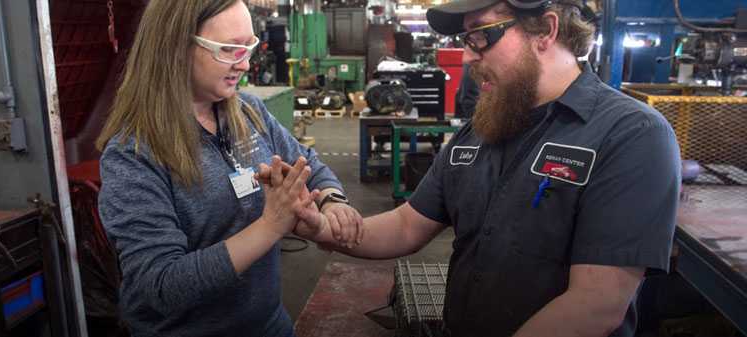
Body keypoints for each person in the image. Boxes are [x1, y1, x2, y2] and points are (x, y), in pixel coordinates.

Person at [276, 0, 682, 336]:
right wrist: (325, 229)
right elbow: (406, 226)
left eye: (481, 35)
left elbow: (596, 305)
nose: (468, 54)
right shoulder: (485, 128)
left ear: (546, 31)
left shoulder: (632, 135)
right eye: (465, 38)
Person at [95, 1, 362, 336]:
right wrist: (271, 225)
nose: (246, 63)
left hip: (268, 325)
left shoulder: (248, 112)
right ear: (176, 47)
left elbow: (306, 162)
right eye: (229, 49)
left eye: (248, 46)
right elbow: (161, 285)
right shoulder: (133, 154)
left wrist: (332, 200)